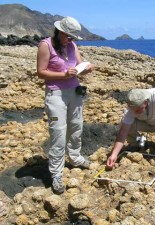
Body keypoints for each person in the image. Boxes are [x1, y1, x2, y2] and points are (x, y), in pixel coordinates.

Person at [37, 16, 94, 194]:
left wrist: (86, 68)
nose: (71, 40)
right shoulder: (46, 45)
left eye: (73, 37)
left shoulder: (72, 45)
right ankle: (56, 174)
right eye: (69, 36)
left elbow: (78, 67)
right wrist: (64, 75)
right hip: (56, 94)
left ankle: (75, 157)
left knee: (76, 127)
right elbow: (40, 72)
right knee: (59, 134)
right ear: (60, 32)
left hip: (74, 92)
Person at [106, 88, 155, 169]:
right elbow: (123, 132)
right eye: (133, 111)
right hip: (145, 124)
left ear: (145, 102)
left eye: (138, 110)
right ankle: (140, 143)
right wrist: (114, 155)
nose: (135, 113)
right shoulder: (131, 108)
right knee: (123, 124)